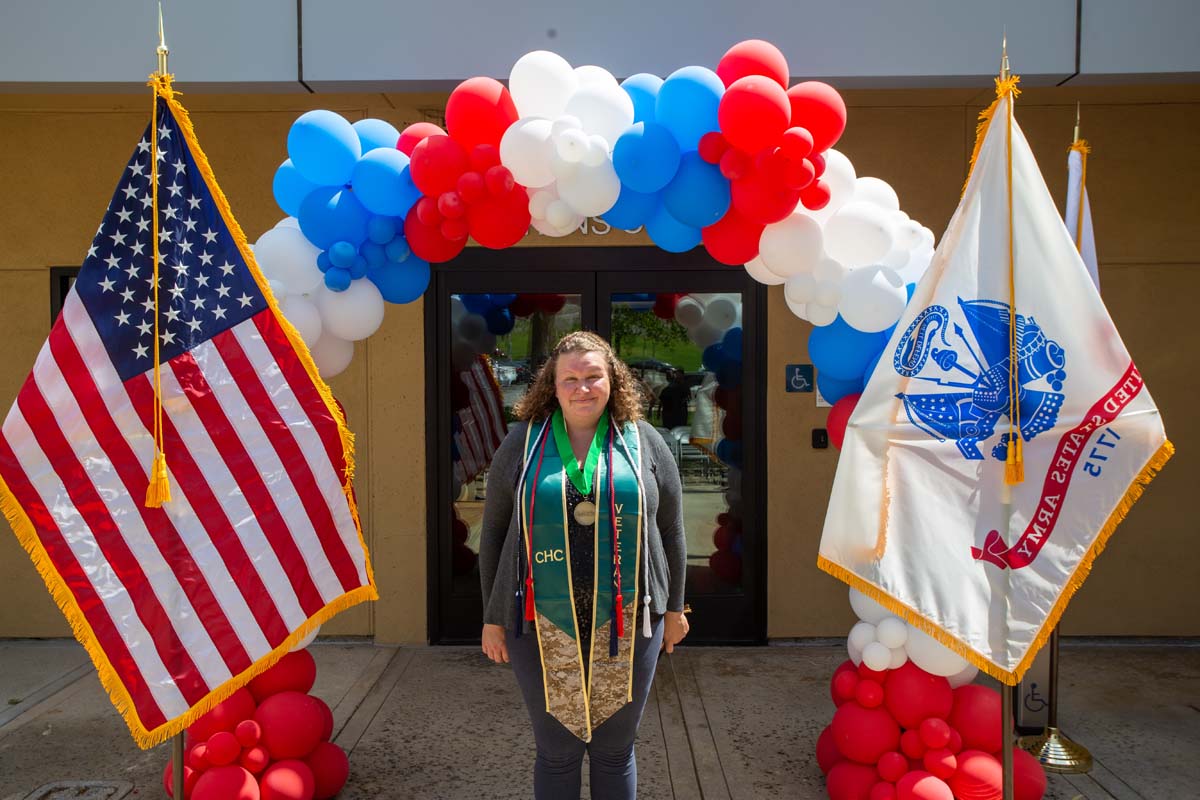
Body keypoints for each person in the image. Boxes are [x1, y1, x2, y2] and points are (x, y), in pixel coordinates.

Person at [478, 331, 689, 799]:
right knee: (557, 749)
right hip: (538, 619)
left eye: (593, 377)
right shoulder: (523, 444)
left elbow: (672, 531)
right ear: (551, 386)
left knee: (615, 748)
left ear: (612, 381)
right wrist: (493, 618)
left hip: (631, 619)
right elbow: (493, 534)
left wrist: (675, 609)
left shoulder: (643, 442)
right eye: (570, 378)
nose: (583, 388)